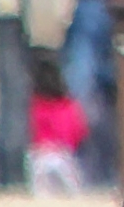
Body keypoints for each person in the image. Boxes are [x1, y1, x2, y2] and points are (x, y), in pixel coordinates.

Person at [61, 0, 120, 186]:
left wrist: (76, 96)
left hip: (91, 92)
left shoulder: (90, 6)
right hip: (105, 89)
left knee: (94, 163)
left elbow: (84, 58)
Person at [26, 49, 88, 196]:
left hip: (40, 153)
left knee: (40, 188)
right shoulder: (68, 105)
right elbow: (78, 130)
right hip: (63, 151)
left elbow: (32, 129)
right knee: (73, 187)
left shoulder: (36, 106)